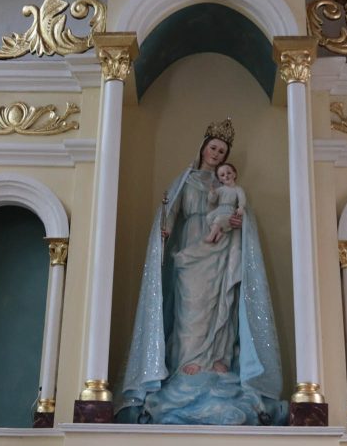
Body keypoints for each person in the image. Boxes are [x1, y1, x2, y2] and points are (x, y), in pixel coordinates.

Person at [119, 118, 285, 425]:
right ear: (203, 147)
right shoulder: (187, 181)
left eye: (222, 152)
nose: (216, 154)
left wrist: (239, 222)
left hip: (222, 249)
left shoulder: (227, 186)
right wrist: (164, 232)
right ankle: (188, 362)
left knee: (223, 302)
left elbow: (239, 213)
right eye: (213, 148)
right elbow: (170, 211)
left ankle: (218, 360)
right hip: (192, 248)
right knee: (192, 307)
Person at [204, 163, 245, 244]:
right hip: (220, 209)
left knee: (219, 219)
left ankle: (211, 236)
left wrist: (241, 207)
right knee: (209, 217)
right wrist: (212, 193)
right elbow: (212, 200)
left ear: (234, 174)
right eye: (222, 175)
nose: (226, 176)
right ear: (219, 179)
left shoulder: (237, 189)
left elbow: (242, 198)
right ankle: (218, 232)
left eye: (229, 173)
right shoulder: (220, 189)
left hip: (229, 210)